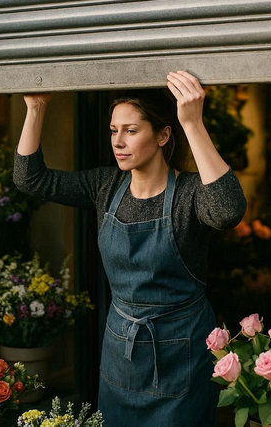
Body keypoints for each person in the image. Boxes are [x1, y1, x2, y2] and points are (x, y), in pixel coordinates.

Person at [13, 71, 247, 427]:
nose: (118, 142)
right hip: (122, 351)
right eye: (113, 131)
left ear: (163, 134)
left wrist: (192, 123)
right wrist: (36, 107)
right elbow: (31, 178)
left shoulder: (189, 195)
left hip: (181, 354)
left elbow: (229, 210)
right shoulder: (105, 185)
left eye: (131, 130)